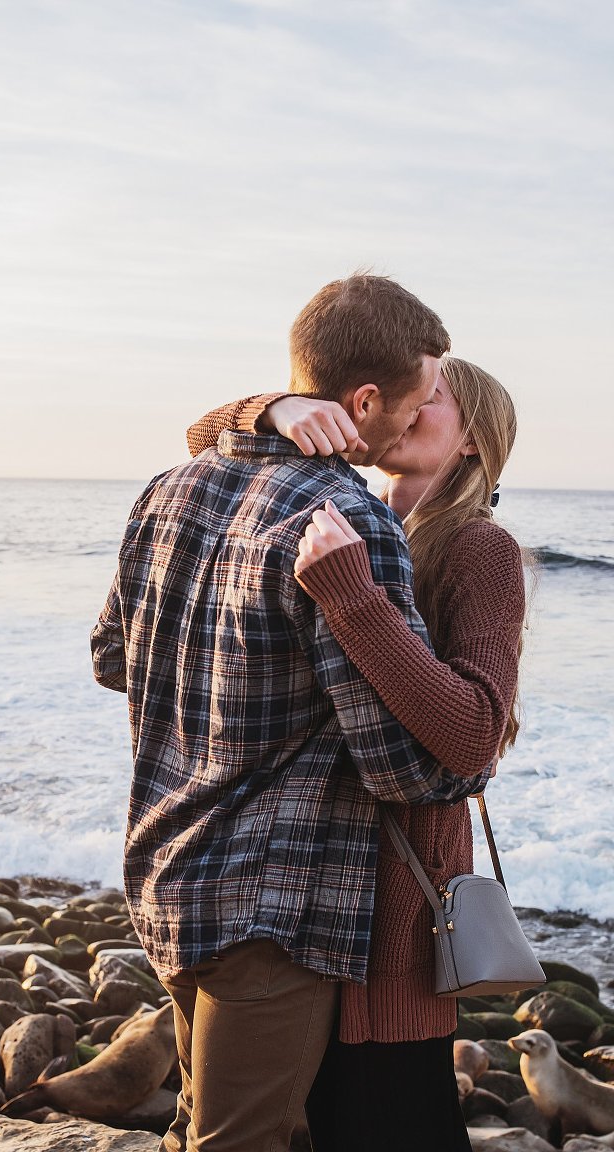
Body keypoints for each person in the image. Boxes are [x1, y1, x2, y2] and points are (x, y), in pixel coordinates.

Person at [91, 274, 493, 1152]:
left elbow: (112, 659)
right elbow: (408, 768)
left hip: (166, 865)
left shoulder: (166, 488)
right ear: (365, 401)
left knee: (198, 1124)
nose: (421, 413)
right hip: (273, 901)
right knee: (242, 1139)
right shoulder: (349, 520)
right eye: (423, 394)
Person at [186, 355, 524, 1151]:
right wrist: (276, 409)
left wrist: (351, 596)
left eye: (430, 398)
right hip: (299, 890)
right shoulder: (352, 514)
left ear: (473, 440)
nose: (405, 406)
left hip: (389, 910)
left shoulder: (480, 548)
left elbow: (475, 733)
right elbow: (204, 438)